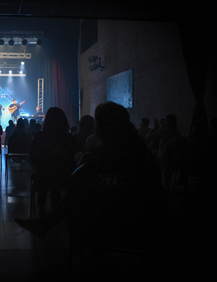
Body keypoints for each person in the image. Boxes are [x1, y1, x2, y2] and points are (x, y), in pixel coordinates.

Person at [15, 102, 166, 244]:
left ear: (101, 128)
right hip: (145, 227)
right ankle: (46, 222)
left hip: (99, 228)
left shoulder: (95, 159)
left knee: (79, 186)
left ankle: (46, 222)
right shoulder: (145, 155)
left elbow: (35, 160)